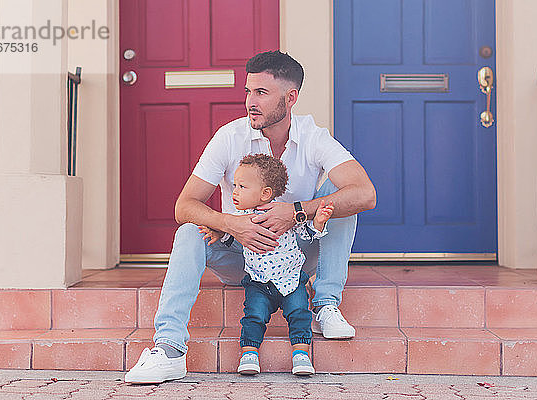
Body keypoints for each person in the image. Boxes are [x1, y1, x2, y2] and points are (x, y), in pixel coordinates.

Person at [124, 50, 376, 384]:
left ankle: (326, 305)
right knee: (188, 232)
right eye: (248, 92)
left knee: (341, 195)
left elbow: (366, 194)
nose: (249, 102)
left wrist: (297, 212)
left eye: (261, 93)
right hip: (242, 256)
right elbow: (184, 205)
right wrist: (231, 224)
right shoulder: (229, 137)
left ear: (290, 98)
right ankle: (169, 350)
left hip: (297, 255)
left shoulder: (314, 136)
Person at [199, 153, 334, 376]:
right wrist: (218, 232)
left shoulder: (283, 213)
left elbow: (308, 235)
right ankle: (249, 353)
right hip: (259, 282)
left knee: (300, 313)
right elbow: (231, 240)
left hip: (292, 279)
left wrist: (318, 222)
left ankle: (301, 355)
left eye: (242, 186)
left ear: (265, 193)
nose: (235, 191)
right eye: (235, 185)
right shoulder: (238, 218)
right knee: (254, 315)